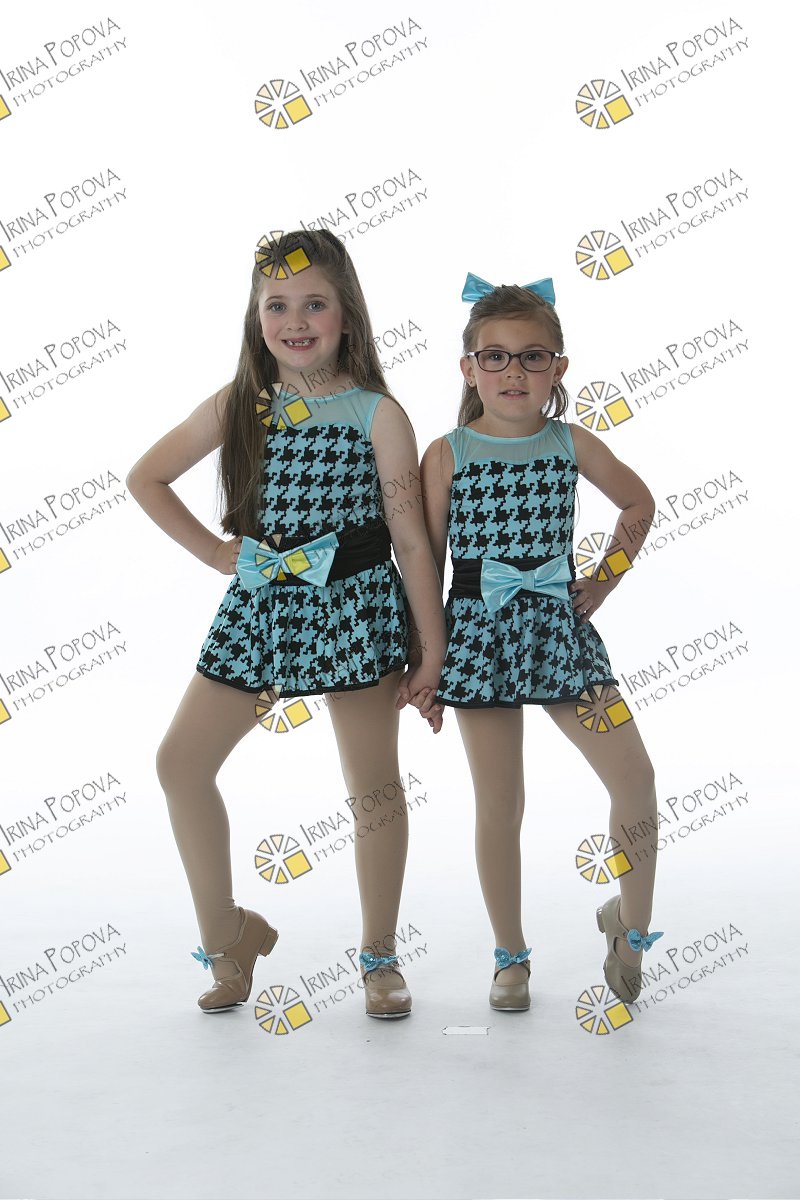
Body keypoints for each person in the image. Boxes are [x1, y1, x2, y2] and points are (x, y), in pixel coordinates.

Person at [127, 229, 445, 1019]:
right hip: (263, 606)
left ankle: (379, 956)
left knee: (373, 788)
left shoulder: (378, 414)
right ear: (255, 315)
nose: (294, 321)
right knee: (180, 763)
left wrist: (432, 649)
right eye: (277, 305)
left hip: (356, 607)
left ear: (347, 313)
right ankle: (228, 937)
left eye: (314, 304)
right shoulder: (241, 403)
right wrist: (219, 554)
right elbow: (147, 476)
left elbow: (411, 541)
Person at [419, 273, 663, 1011]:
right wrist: (428, 661)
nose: (514, 371)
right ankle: (511, 955)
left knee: (634, 778)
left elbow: (638, 503)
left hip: (560, 631)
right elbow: (425, 564)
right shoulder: (447, 453)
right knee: (501, 803)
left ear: (558, 368)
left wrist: (603, 581)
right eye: (494, 357)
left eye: (532, 357)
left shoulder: (569, 442)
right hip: (479, 636)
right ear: (469, 369)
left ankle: (631, 928)